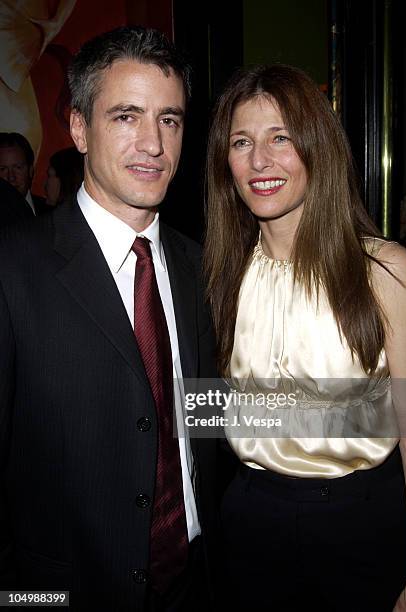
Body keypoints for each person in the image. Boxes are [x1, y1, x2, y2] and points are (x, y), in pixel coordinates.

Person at [0, 26, 217, 611]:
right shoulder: (13, 267)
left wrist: (385, 410)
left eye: (169, 120)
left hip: (197, 586)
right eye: (126, 116)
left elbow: (209, 414)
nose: (153, 143)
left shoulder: (202, 268)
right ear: (78, 129)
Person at [205, 64, 406, 611]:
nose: (260, 161)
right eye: (242, 142)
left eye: (280, 137)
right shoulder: (219, 274)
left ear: (315, 146)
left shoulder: (384, 271)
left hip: (363, 524)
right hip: (251, 520)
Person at [0, 132, 49, 215]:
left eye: (18, 168)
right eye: (2, 169)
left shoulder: (51, 212)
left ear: (30, 171)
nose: (11, 177)